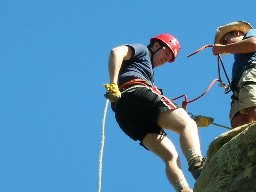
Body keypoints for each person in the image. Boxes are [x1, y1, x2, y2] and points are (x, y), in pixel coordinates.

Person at [104, 33, 205, 192]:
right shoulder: (142, 50)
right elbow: (116, 52)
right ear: (157, 46)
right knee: (187, 125)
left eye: (169, 58)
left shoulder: (146, 72)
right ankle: (198, 165)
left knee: (170, 156)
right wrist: (112, 84)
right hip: (136, 93)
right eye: (167, 52)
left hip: (126, 115)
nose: (166, 59)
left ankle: (184, 190)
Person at [212, 21, 256, 128]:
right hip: (239, 87)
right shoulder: (238, 58)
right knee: (237, 119)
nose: (225, 45)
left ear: (236, 33)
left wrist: (222, 49)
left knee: (252, 105)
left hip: (250, 76)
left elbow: (253, 44)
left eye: (226, 41)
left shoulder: (251, 33)